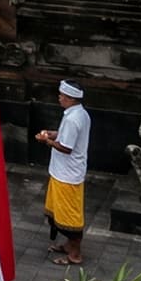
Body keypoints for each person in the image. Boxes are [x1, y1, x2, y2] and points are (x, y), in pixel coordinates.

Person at [37, 79, 91, 265]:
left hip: (67, 174)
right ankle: (69, 245)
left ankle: (75, 254)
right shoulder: (79, 114)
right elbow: (66, 136)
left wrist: (47, 141)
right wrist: (53, 134)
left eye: (62, 95)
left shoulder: (72, 119)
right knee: (61, 211)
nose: (59, 98)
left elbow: (66, 147)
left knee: (70, 215)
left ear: (70, 98)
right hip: (65, 172)